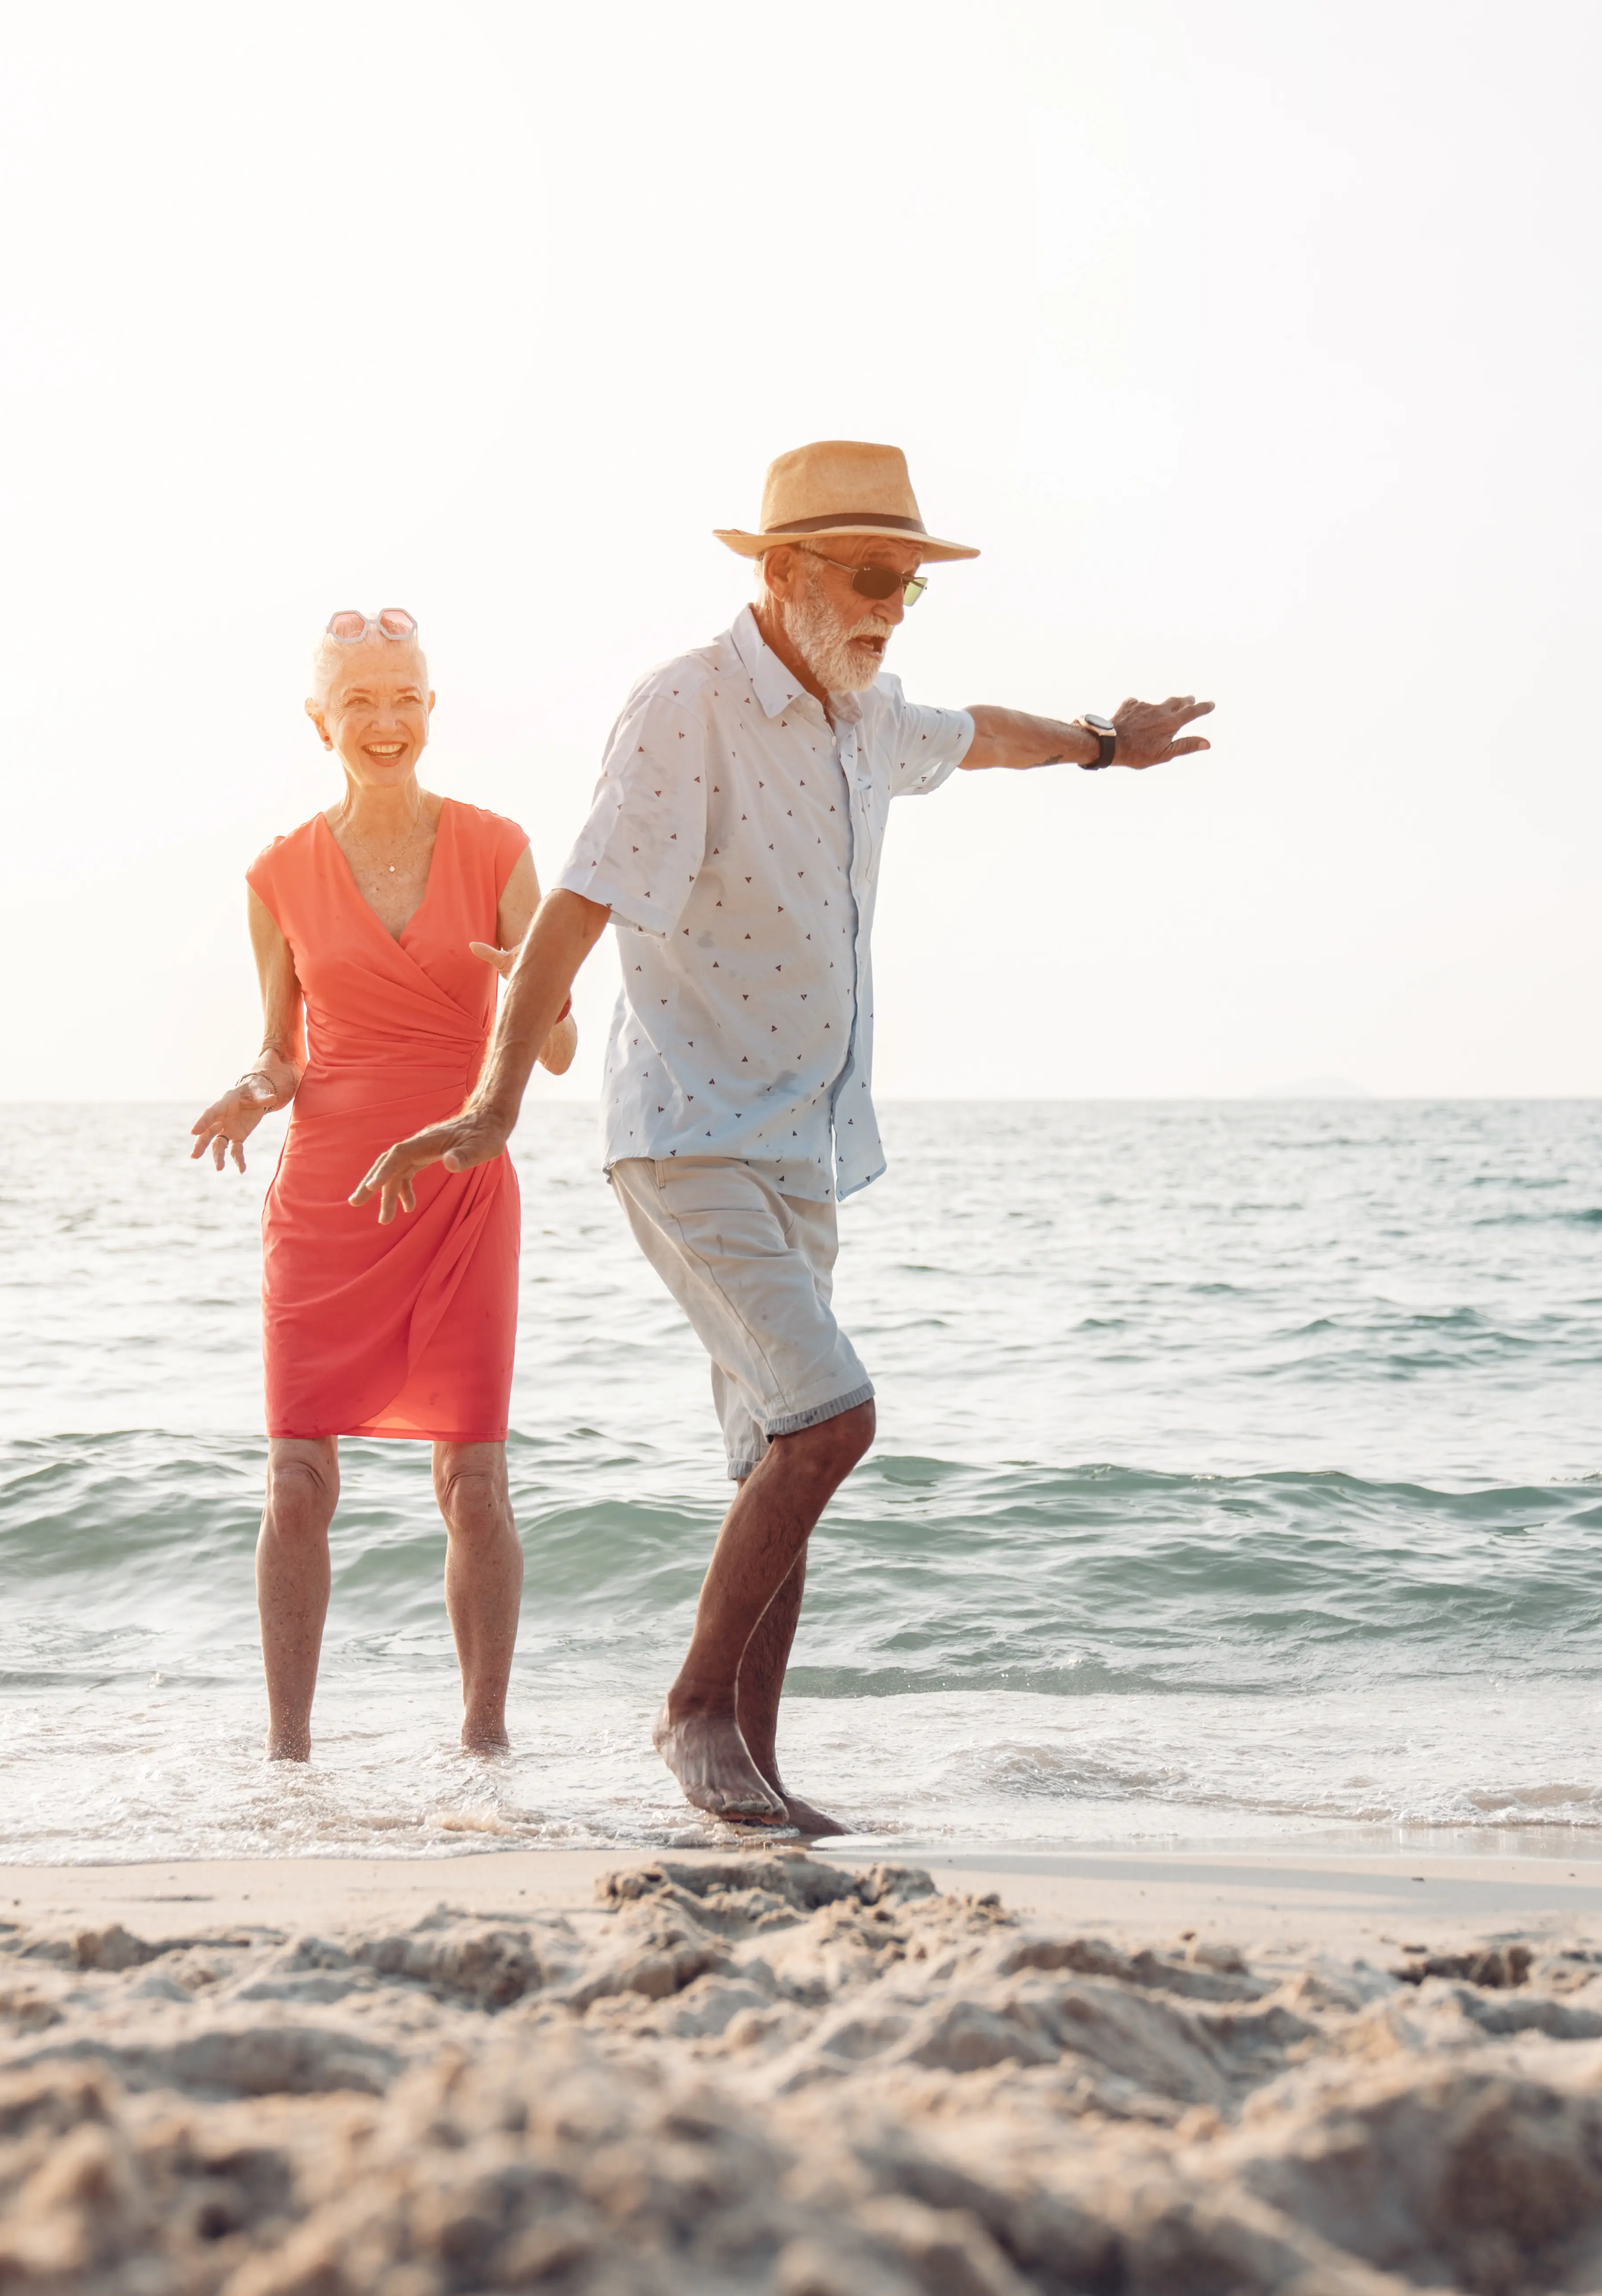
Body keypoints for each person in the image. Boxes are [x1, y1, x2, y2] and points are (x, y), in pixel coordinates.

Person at [353, 442, 1212, 1832]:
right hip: (688, 1131)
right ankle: (694, 1710)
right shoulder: (687, 707)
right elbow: (576, 904)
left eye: (908, 586)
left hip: (804, 1143)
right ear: (782, 574)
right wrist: (499, 1099)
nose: (891, 605)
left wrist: (1102, 742)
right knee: (833, 1415)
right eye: (871, 576)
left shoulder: (864, 714)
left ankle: (747, 1769)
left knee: (777, 1459)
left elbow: (976, 732)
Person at [187, 608, 576, 1761]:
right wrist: (251, 1087)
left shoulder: (501, 850)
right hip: (325, 1204)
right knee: (299, 1481)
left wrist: (532, 987)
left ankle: (486, 1746)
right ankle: (288, 1761)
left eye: (403, 695)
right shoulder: (277, 874)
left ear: (432, 709)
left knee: (473, 1480)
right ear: (321, 721)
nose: (384, 720)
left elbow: (553, 1049)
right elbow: (281, 1048)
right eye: (359, 700)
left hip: (461, 1187)